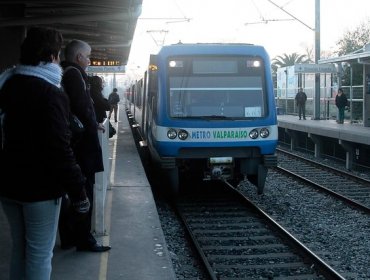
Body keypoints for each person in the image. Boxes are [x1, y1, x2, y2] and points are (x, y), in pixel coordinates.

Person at [0, 27, 89, 280]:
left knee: (20, 250)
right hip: (40, 189)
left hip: (7, 184)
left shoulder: (7, 83)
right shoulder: (51, 91)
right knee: (39, 254)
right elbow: (60, 148)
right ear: (52, 55)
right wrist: (79, 191)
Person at [59, 39, 111, 252]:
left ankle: (70, 236)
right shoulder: (74, 74)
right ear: (79, 57)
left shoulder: (63, 73)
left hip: (73, 142)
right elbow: (82, 105)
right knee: (84, 190)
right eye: (88, 56)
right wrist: (93, 124)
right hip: (81, 145)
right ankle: (84, 239)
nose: (89, 60)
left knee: (71, 193)